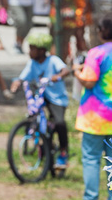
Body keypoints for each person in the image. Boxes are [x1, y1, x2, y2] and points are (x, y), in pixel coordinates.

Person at [73, 15, 112, 200]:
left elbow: (89, 82)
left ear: (103, 31)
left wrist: (77, 72)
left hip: (95, 117)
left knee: (91, 158)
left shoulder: (96, 53)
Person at [10, 33, 71, 168]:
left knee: (59, 122)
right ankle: (42, 142)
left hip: (56, 99)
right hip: (41, 97)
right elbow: (22, 77)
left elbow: (65, 70)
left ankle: (63, 152)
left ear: (42, 50)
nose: (29, 52)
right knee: (33, 116)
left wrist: (57, 76)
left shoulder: (53, 60)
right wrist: (17, 83)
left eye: (32, 49)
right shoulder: (32, 64)